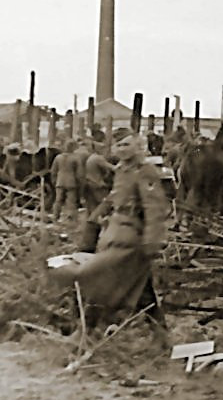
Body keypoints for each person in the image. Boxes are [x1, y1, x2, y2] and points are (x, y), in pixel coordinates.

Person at [52, 128, 169, 342]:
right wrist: (95, 217)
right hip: (115, 233)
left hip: (132, 238)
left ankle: (85, 332)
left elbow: (155, 207)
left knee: (95, 279)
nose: (123, 149)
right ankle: (162, 339)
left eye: (127, 144)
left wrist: (152, 242)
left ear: (137, 145)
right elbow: (114, 197)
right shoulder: (121, 170)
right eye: (119, 145)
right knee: (143, 292)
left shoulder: (145, 170)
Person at [50, 140, 80, 221]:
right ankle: (70, 218)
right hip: (71, 182)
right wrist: (78, 182)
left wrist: (54, 181)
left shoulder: (58, 157)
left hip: (60, 181)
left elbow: (53, 171)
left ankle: (55, 217)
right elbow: (78, 173)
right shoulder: (75, 158)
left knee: (58, 200)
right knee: (71, 201)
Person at [84, 141, 115, 214]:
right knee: (105, 203)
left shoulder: (91, 157)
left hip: (90, 183)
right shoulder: (98, 158)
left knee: (92, 206)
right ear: (98, 149)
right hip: (97, 184)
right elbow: (110, 167)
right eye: (102, 148)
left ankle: (92, 221)